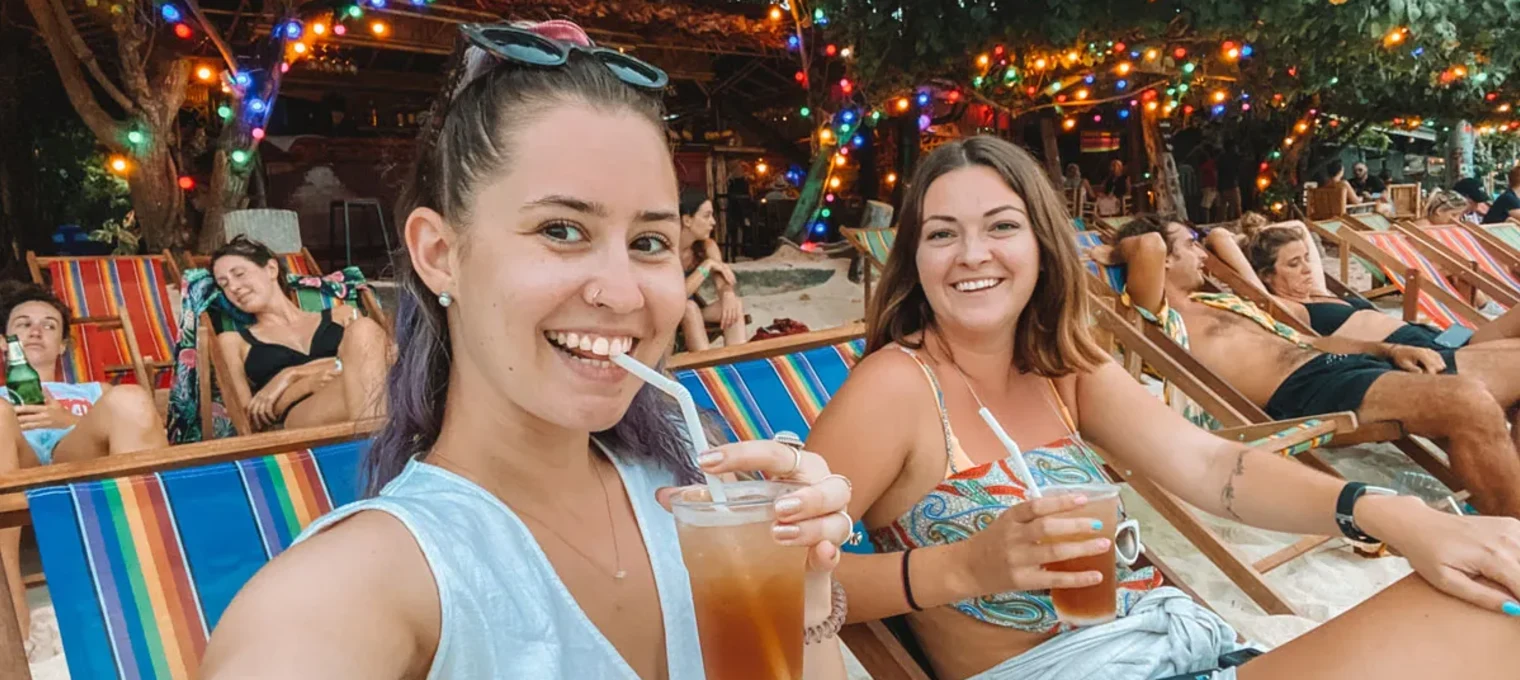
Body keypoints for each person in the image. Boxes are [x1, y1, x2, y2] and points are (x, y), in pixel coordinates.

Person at [200, 20, 851, 679]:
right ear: (440, 254)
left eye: (650, 242)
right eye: (562, 229)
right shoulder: (367, 583)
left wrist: (806, 593)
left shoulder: (698, 488)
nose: (624, 293)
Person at [806, 135, 1520, 680]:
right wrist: (964, 568)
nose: (971, 254)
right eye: (941, 233)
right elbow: (775, 579)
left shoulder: (1063, 367)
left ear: (1041, 245)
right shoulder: (896, 387)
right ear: (916, 255)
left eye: (1001, 226)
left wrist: (1391, 513)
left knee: (1495, 596)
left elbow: (1210, 465)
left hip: (1182, 654)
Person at [1111, 213, 1520, 516]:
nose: (1202, 253)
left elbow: (1309, 340)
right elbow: (1146, 244)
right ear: (1165, 260)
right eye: (1190, 245)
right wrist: (1109, 250)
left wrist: (1384, 349)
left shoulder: (1221, 301)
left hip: (1338, 365)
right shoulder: (1154, 314)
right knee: (1467, 401)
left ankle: (1501, 493)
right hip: (1300, 392)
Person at [0, 283, 169, 645]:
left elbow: (146, 435)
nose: (35, 331)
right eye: (23, 324)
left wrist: (69, 421)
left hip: (78, 463)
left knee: (130, 399)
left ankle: (152, 594)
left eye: (48, 325)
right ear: (4, 342)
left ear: (62, 344)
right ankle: (11, 620)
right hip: (16, 473)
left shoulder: (94, 393)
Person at [1221, 214, 1520, 348]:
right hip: (1416, 351)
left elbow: (1298, 225)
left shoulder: (1317, 292)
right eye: (1293, 264)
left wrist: (1260, 235)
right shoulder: (1287, 309)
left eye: (1304, 259)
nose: (1308, 268)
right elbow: (1217, 237)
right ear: (1266, 277)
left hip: (1427, 335)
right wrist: (1243, 241)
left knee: (1501, 340)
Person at [210, 236, 391, 431]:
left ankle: (375, 447)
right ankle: (381, 451)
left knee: (364, 330)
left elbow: (386, 356)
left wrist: (291, 374)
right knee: (377, 386)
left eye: (239, 274)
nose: (234, 287)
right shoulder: (233, 341)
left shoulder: (342, 314)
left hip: (365, 394)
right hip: (302, 416)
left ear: (271, 269)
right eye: (224, 284)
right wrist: (305, 386)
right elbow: (247, 419)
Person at [677, 188, 748, 350]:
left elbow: (722, 283)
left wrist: (728, 294)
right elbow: (679, 298)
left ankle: (737, 362)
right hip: (667, 316)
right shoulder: (668, 251)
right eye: (707, 216)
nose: (713, 222)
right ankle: (706, 368)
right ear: (687, 220)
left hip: (693, 315)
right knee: (689, 307)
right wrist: (706, 265)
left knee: (734, 304)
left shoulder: (708, 245)